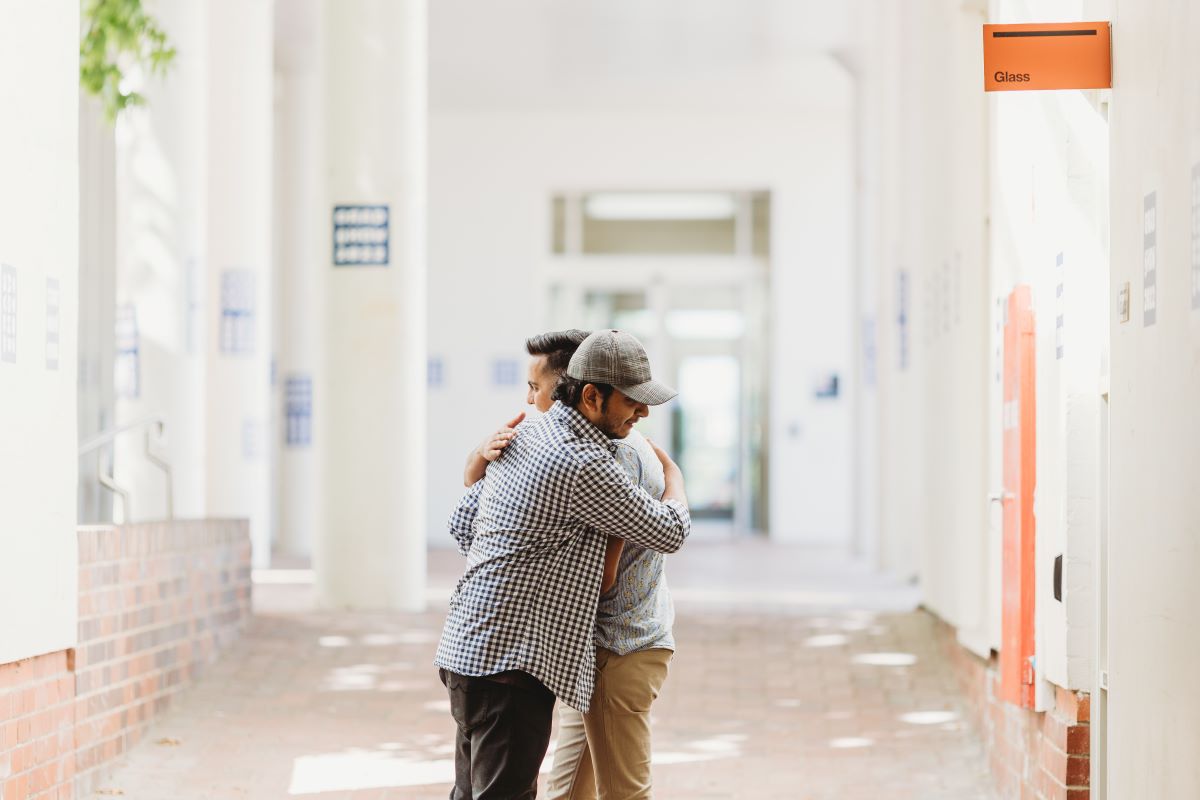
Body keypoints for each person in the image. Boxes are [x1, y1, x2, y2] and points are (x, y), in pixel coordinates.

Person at [436, 329, 690, 800]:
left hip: (467, 649)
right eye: (633, 400)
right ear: (592, 396)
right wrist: (674, 477)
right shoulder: (585, 462)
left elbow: (463, 525)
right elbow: (670, 531)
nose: (644, 412)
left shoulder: (526, 434)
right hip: (513, 664)